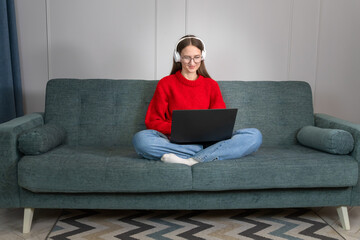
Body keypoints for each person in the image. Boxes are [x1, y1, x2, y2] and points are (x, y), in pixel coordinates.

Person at [132, 35, 262, 166]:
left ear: (202, 56)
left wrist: (207, 131)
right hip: (175, 142)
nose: (192, 62)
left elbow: (220, 123)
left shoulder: (211, 85)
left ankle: (191, 160)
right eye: (187, 57)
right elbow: (152, 121)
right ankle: (210, 154)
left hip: (208, 142)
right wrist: (179, 128)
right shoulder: (165, 83)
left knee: (254, 136)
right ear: (178, 58)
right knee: (141, 140)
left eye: (196, 57)